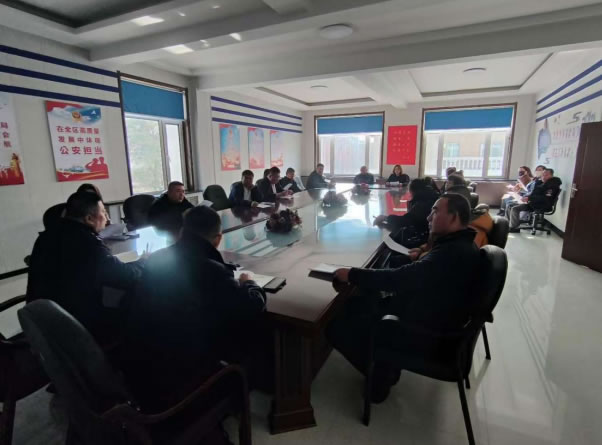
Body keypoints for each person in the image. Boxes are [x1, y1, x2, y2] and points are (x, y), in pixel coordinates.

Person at [327, 194, 480, 402]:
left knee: (336, 323)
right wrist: (421, 256)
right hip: (433, 313)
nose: (428, 217)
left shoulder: (453, 252)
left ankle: (380, 376)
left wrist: (352, 274)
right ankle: (384, 363)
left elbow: (400, 279)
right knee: (361, 301)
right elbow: (424, 272)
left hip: (427, 332)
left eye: (435, 212)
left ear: (454, 218)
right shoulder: (461, 244)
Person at [122, 206, 266, 410]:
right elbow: (252, 306)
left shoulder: (156, 258)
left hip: (141, 365)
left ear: (182, 231)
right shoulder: (212, 270)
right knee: (252, 335)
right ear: (218, 239)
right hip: (181, 375)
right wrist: (249, 282)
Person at [26, 191, 144, 346]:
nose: (107, 217)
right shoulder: (87, 243)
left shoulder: (46, 236)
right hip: (75, 326)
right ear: (89, 219)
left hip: (42, 322)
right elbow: (125, 277)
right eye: (103, 212)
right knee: (138, 307)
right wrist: (142, 262)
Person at [373, 178, 439, 245]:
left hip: (426, 239)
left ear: (413, 191)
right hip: (431, 235)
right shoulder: (431, 196)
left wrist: (385, 218)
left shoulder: (422, 204)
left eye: (409, 192)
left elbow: (404, 221)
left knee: (392, 238)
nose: (410, 195)